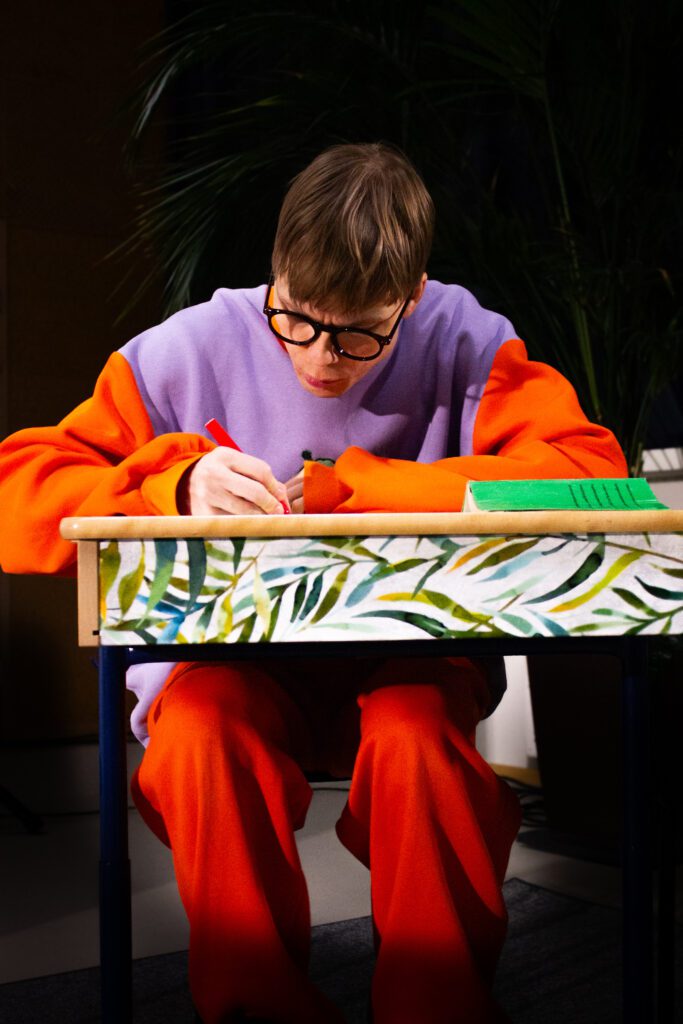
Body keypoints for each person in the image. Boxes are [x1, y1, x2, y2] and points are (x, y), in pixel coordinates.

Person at [0, 142, 627, 1023]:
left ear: (412, 297)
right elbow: (17, 488)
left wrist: (363, 486)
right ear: (274, 273)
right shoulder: (186, 347)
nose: (322, 358)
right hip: (229, 668)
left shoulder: (467, 339)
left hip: (407, 662)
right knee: (199, 737)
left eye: (360, 333)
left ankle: (435, 1006)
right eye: (296, 318)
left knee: (417, 741)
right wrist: (171, 482)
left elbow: (587, 472)